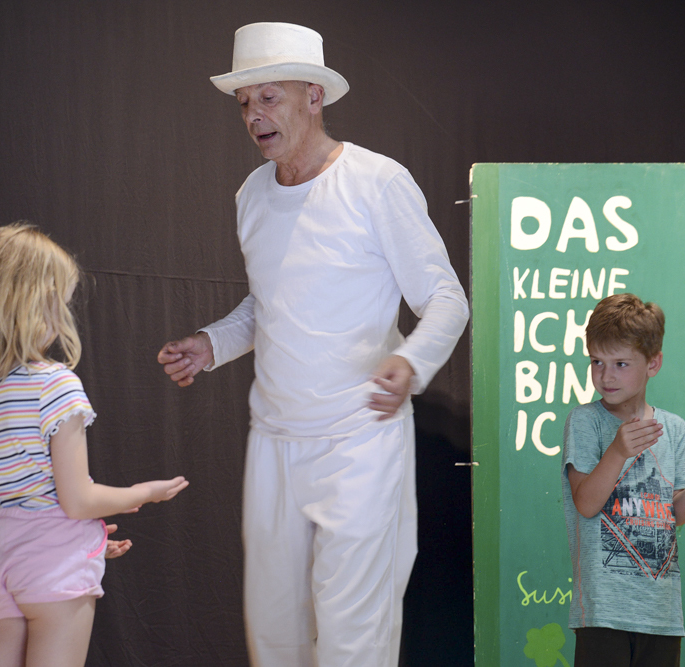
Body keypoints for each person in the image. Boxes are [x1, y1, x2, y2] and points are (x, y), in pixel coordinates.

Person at [157, 22, 469, 667]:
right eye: (244, 102)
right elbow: (269, 305)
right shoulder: (251, 195)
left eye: (269, 97)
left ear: (314, 96)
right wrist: (211, 344)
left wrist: (409, 363)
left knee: (353, 634)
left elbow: (446, 299)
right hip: (275, 442)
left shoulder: (377, 182)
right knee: (275, 636)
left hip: (360, 439)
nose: (254, 115)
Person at [0, 223, 188, 667]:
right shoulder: (55, 385)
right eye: (61, 301)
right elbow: (77, 501)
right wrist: (144, 493)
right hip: (57, 562)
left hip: (1, 562)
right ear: (39, 304)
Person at [561, 293, 685, 666]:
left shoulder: (674, 428)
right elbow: (585, 503)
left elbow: (675, 514)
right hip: (604, 613)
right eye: (597, 362)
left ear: (653, 363)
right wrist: (617, 451)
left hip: (662, 615)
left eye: (620, 363)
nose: (606, 375)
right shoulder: (585, 421)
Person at [0, 357, 134, 667]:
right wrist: (57, 542)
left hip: (0, 632)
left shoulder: (13, 466)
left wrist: (73, 543)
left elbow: (27, 534)